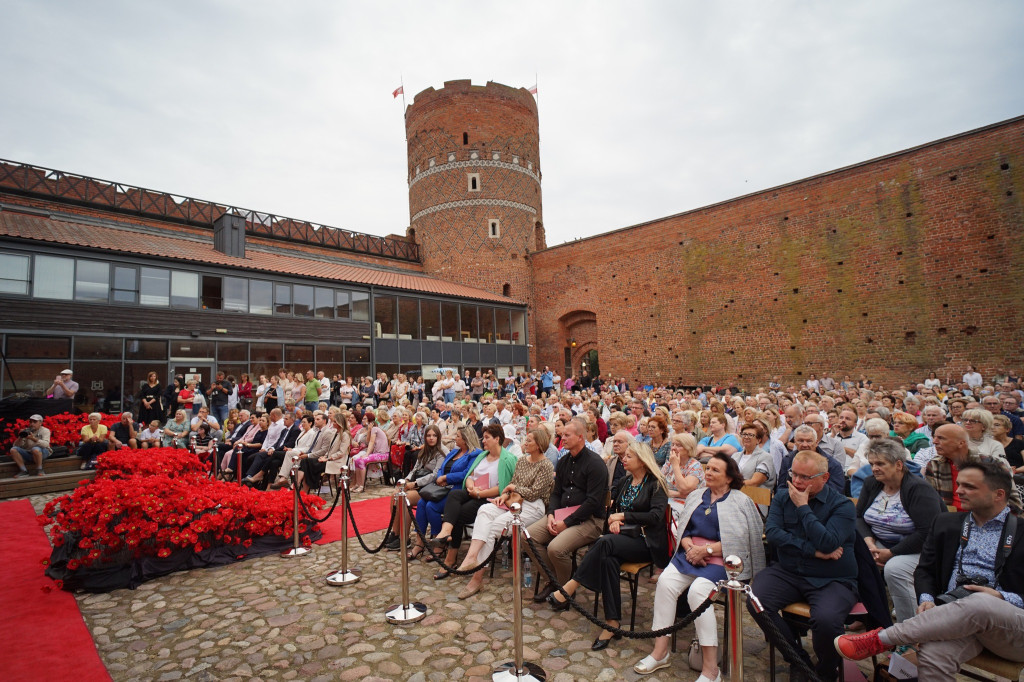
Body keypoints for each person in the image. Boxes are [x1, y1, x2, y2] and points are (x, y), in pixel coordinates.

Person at [836, 461, 1024, 680]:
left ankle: (884, 638)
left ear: (998, 494)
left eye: (969, 487)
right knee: (933, 655)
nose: (959, 491)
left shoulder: (1020, 532)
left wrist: (1000, 596)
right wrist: (926, 599)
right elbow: (925, 570)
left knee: (982, 602)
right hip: (959, 620)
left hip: (1012, 629)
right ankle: (890, 639)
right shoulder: (946, 522)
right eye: (959, 484)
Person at [634, 452, 766, 678]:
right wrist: (689, 547)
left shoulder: (740, 501)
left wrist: (706, 550)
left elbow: (743, 539)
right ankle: (660, 652)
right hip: (689, 554)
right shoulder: (697, 495)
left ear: (729, 477)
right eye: (708, 469)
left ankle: (710, 668)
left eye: (715, 470)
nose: (709, 473)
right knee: (665, 582)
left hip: (722, 562)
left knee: (698, 593)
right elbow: (682, 528)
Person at [548, 441, 669, 650]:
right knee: (607, 558)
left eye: (629, 456)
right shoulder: (624, 482)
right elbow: (611, 512)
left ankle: (570, 587)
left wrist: (624, 516)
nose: (624, 459)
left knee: (604, 544)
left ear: (642, 460)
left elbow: (656, 516)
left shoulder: (655, 484)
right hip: (620, 540)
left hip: (646, 542)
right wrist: (615, 521)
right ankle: (612, 622)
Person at [751, 450, 858, 681]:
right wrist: (813, 551)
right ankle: (798, 659)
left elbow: (829, 543)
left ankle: (826, 671)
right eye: (794, 474)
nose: (797, 482)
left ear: (825, 478)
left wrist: (803, 507)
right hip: (789, 571)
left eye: (805, 477)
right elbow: (773, 534)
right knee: (756, 601)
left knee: (827, 621)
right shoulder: (782, 496)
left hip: (831, 578)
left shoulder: (842, 506)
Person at [455, 427, 556, 598]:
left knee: (493, 527)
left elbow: (534, 493)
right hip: (514, 500)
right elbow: (512, 482)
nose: (525, 443)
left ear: (539, 445)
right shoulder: (523, 460)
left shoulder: (546, 465)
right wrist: (503, 495)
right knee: (485, 510)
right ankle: (471, 557)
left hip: (533, 506)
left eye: (529, 440)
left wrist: (513, 488)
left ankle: (476, 578)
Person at [855, 438, 945, 623]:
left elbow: (927, 531)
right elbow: (858, 517)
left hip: (920, 549)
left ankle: (911, 628)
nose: (874, 468)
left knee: (894, 569)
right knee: (854, 555)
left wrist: (891, 553)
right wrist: (869, 543)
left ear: (898, 464)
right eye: (872, 463)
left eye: (880, 463)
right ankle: (870, 616)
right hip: (880, 543)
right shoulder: (872, 483)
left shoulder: (918, 489)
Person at [528, 418, 608, 604]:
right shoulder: (564, 461)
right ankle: (554, 581)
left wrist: (567, 522)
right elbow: (556, 493)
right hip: (562, 514)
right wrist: (551, 515)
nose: (561, 437)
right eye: (562, 434)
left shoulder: (595, 464)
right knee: (528, 537)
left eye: (567, 435)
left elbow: (593, 502)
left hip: (589, 520)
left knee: (556, 549)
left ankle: (565, 592)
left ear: (580, 437)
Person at [429, 423, 517, 582]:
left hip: (489, 499)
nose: (483, 441)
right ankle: (446, 531)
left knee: (459, 514)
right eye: (483, 438)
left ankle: (451, 556)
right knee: (455, 494)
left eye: (487, 438)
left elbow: (504, 488)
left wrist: (480, 493)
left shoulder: (508, 459)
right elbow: (469, 476)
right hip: (474, 492)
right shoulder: (483, 456)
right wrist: (472, 488)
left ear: (497, 439)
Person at [925, 423, 1021, 514]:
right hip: (950, 520)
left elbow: (1013, 502)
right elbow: (931, 501)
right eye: (934, 437)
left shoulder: (991, 463)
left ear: (961, 443)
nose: (934, 442)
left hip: (986, 519)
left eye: (941, 438)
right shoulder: (934, 464)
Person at [414, 425, 481, 546]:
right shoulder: (454, 451)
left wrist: (447, 478)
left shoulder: (474, 454)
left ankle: (439, 541)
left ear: (466, 438)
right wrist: (440, 477)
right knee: (421, 503)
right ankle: (420, 541)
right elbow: (442, 467)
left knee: (431, 506)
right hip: (441, 487)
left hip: (456, 490)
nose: (455, 438)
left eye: (458, 436)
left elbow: (467, 473)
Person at [733, 421, 776, 490]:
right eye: (744, 434)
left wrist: (729, 483)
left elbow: (754, 483)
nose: (746, 437)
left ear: (758, 440)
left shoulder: (765, 457)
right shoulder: (735, 456)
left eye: (750, 435)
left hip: (756, 497)